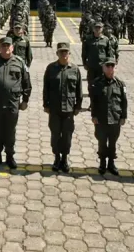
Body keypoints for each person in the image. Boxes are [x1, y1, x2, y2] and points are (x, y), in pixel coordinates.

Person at [0, 36, 32, 169]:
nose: (6, 48)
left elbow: (27, 83)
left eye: (8, 46)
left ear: (12, 48)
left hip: (12, 103)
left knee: (10, 130)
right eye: (3, 46)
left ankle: (10, 155)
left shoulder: (19, 62)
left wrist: (25, 100)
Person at [42, 42, 82, 173]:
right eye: (61, 52)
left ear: (69, 53)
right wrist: (45, 104)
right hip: (54, 108)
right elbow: (46, 88)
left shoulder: (75, 69)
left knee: (67, 136)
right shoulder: (51, 68)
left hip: (69, 109)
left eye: (66, 52)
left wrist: (78, 106)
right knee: (55, 135)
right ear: (57, 54)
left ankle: (64, 159)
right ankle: (56, 158)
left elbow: (79, 90)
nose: (64, 54)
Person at [89, 59, 128, 175]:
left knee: (112, 142)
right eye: (108, 66)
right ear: (103, 68)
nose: (110, 68)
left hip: (115, 118)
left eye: (113, 66)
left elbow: (124, 102)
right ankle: (102, 163)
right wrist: (94, 115)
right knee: (101, 141)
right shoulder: (96, 83)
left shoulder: (120, 84)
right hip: (101, 119)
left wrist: (123, 117)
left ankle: (111, 163)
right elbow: (94, 101)